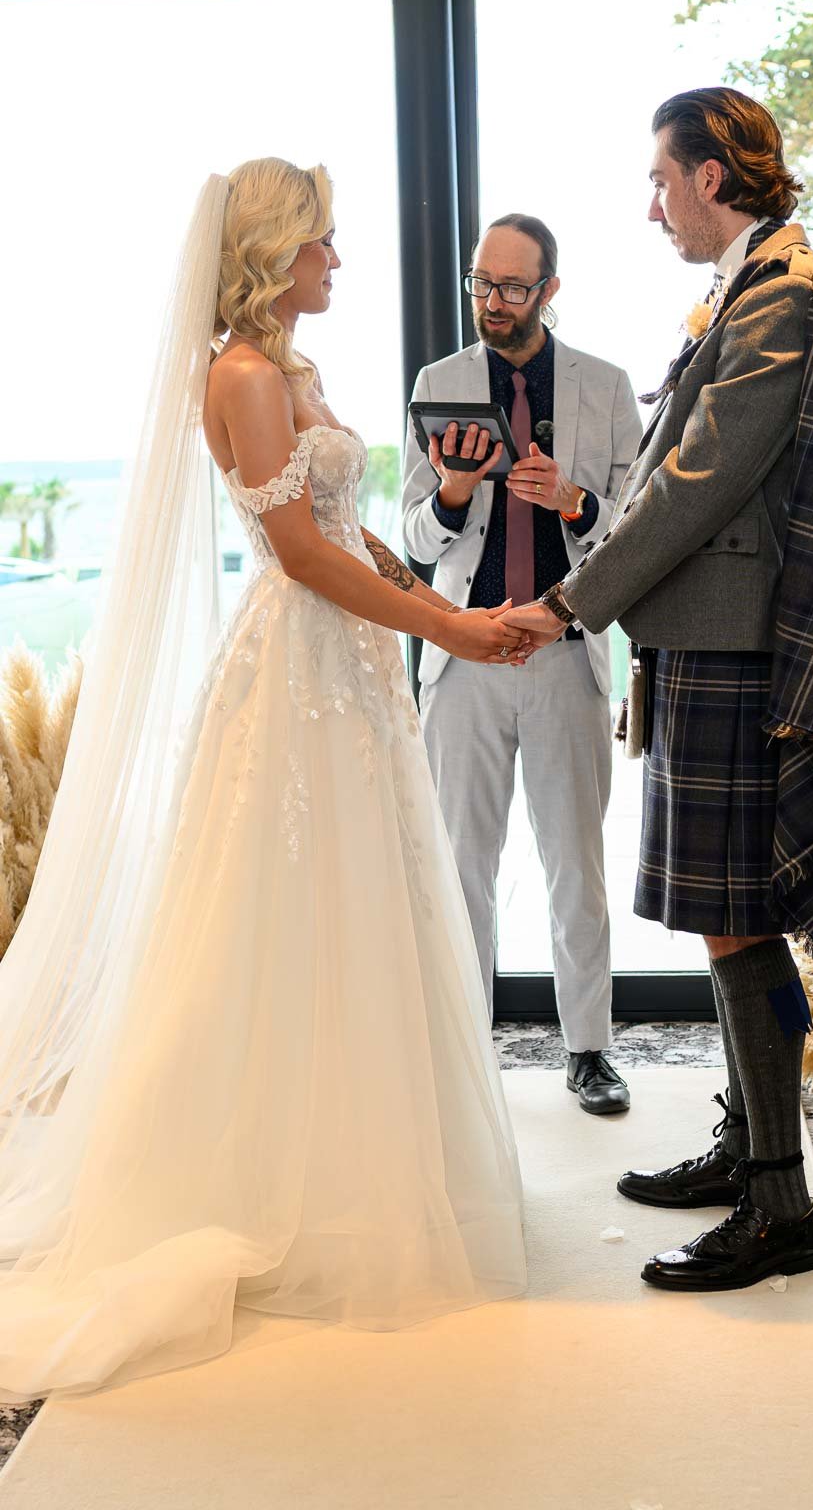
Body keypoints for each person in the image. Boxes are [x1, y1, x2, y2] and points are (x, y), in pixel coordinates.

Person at [0, 159, 529, 1402]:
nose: (339, 262)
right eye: (326, 244)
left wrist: (435, 591)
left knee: (367, 906)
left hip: (347, 668)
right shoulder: (240, 376)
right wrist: (440, 633)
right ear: (276, 250)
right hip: (293, 677)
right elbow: (293, 553)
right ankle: (259, 1183)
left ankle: (364, 1171)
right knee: (281, 912)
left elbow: (344, 527)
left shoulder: (292, 371)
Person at [510, 89, 813, 1289]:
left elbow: (695, 481)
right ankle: (750, 1146)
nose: (650, 206)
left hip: (740, 647)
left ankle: (778, 1205)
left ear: (712, 172)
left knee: (737, 912)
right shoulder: (753, 283)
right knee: (720, 910)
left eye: (658, 180)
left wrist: (570, 601)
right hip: (709, 638)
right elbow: (672, 476)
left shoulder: (785, 289)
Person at [401, 215, 642, 1114]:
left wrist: (575, 503)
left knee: (574, 863)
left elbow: (639, 532)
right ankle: (467, 1052)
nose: (491, 305)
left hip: (565, 651)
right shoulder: (439, 384)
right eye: (480, 284)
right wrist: (456, 492)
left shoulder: (607, 388)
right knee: (462, 861)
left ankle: (589, 1050)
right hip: (463, 656)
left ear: (548, 291)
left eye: (510, 289)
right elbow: (414, 537)